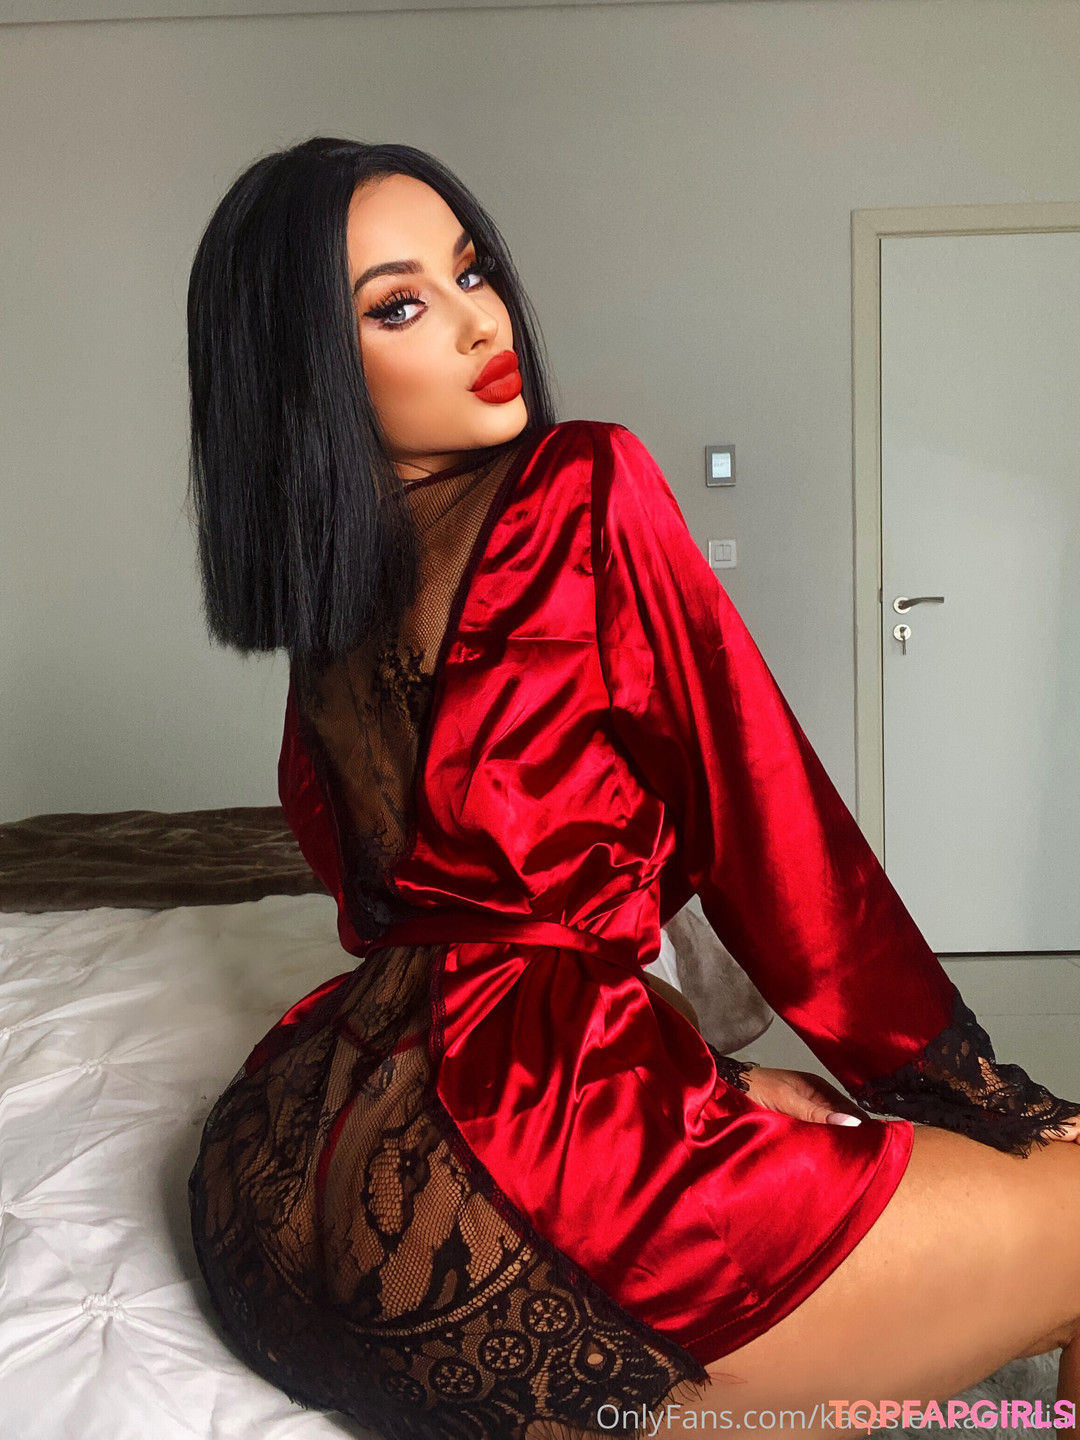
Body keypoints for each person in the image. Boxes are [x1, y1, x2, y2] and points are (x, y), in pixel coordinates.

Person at [184, 137, 1080, 1440]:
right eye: (399, 306)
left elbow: (381, 894)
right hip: (521, 1181)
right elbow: (775, 835)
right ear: (305, 370)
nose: (482, 321)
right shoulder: (581, 481)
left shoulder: (332, 606)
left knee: (863, 1180)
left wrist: (694, 1065)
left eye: (471, 271)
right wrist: (972, 1090)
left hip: (291, 1197)